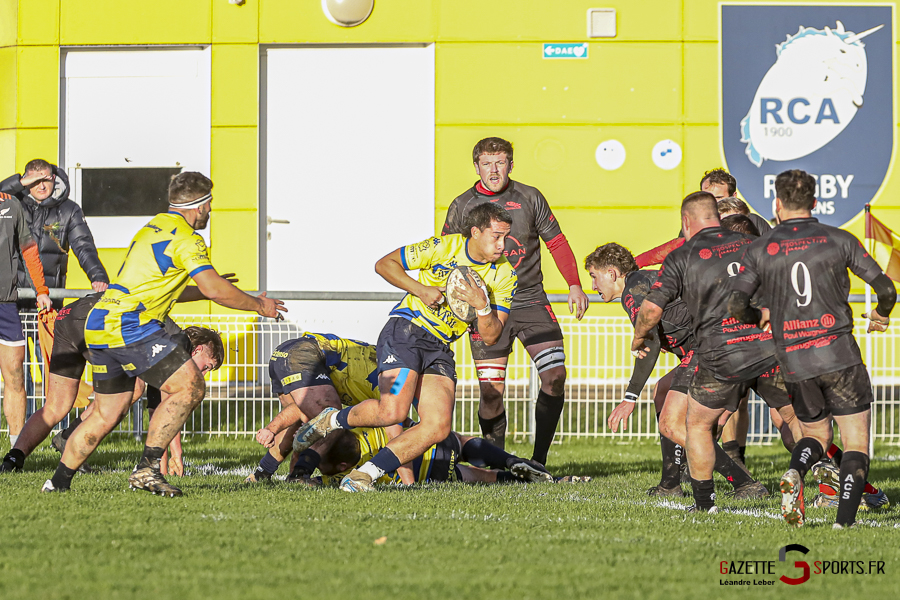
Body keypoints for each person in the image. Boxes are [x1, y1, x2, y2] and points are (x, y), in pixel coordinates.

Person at [41, 172, 286, 495]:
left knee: (106, 413)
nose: (211, 210)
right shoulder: (188, 238)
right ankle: (147, 470)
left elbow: (163, 287)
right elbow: (214, 289)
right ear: (198, 206)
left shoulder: (154, 226)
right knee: (190, 386)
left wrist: (205, 290)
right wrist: (259, 305)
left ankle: (57, 484)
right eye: (210, 203)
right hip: (129, 324)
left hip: (101, 322)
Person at [293, 202, 518, 492]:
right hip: (407, 331)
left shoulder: (505, 275)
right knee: (393, 413)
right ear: (475, 232)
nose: (502, 244)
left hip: (440, 346)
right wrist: (421, 290)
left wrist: (482, 306)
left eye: (505, 237)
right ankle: (332, 419)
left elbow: (491, 336)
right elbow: (384, 264)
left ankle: (363, 476)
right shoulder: (443, 247)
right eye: (496, 236)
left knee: (438, 427)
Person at [729, 169, 896, 529]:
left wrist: (760, 315)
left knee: (817, 437)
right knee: (855, 442)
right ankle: (843, 523)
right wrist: (881, 315)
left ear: (776, 204)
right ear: (815, 203)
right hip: (839, 354)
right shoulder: (839, 239)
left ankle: (796, 470)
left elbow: (735, 305)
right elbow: (887, 290)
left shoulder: (761, 248)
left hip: (794, 360)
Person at [631, 191, 802, 513]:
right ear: (717, 216)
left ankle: (704, 502)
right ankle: (819, 480)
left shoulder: (682, 255)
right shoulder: (751, 244)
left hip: (720, 355)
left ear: (686, 221)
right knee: (794, 418)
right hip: (768, 348)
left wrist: (639, 337)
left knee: (696, 426)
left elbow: (651, 310)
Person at [441, 137, 589, 465]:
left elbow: (557, 242)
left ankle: (538, 460)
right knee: (491, 394)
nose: (494, 170)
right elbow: (447, 254)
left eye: (501, 162)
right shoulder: (462, 205)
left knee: (555, 376)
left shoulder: (530, 197)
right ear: (476, 166)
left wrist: (575, 285)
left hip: (532, 302)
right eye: (487, 163)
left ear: (511, 164)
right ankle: (496, 464)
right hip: (487, 308)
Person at [586, 243, 767, 499]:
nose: (593, 286)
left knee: (671, 425)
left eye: (594, 276)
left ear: (612, 273)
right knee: (662, 391)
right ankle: (670, 484)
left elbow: (650, 342)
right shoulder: (645, 278)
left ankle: (745, 484)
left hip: (712, 347)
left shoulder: (632, 292)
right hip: (723, 343)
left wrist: (629, 398)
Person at [246, 332, 382, 483]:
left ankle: (263, 474)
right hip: (304, 354)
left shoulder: (385, 364)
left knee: (307, 420)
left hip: (285, 353)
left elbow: (299, 410)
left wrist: (272, 429)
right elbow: (393, 423)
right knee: (332, 420)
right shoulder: (391, 382)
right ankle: (299, 474)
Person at [0, 159, 109, 300]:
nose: (42, 186)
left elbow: (84, 246)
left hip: (50, 297)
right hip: (13, 295)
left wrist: (98, 276)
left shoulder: (69, 210)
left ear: (54, 179)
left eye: (46, 180)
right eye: (36, 181)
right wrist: (18, 183)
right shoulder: (13, 205)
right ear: (27, 182)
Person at [312, 427, 560, 487]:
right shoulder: (368, 427)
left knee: (481, 477)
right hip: (431, 443)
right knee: (462, 442)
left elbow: (312, 482)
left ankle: (515, 478)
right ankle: (510, 460)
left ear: (343, 465)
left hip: (431, 473)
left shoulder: (343, 474)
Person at [0, 189, 51, 447]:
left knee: (15, 374)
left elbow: (29, 250)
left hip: (5, 304)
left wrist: (41, 290)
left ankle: (15, 451)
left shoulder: (12, 206)